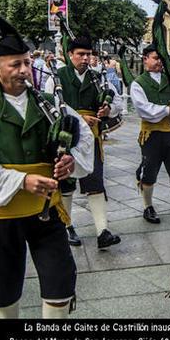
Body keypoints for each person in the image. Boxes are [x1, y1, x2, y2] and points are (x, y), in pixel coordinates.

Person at [0, 18, 94, 319]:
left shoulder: (49, 103)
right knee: (4, 285)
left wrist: (70, 161)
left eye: (26, 63)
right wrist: (23, 180)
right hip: (3, 214)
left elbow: (82, 137)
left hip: (46, 210)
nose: (24, 70)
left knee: (60, 280)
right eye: (15, 65)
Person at [46, 35, 123, 249]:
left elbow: (117, 102)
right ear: (70, 55)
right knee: (67, 183)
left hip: (92, 139)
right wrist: (80, 119)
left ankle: (102, 231)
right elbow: (50, 107)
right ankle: (67, 226)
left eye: (88, 54)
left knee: (95, 182)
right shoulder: (57, 77)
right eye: (80, 54)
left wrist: (108, 110)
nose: (85, 58)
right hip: (67, 137)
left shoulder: (98, 77)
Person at [130, 43, 170, 224]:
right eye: (156, 58)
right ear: (145, 59)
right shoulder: (138, 84)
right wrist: (168, 110)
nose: (160, 61)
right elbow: (144, 110)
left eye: (161, 58)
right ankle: (148, 206)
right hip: (151, 134)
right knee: (149, 172)